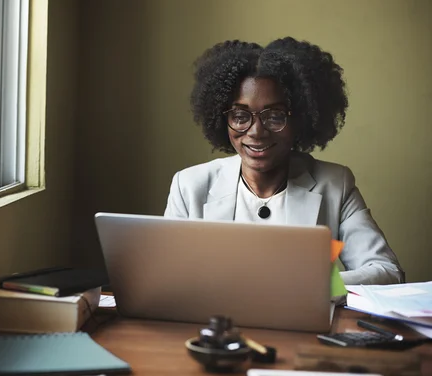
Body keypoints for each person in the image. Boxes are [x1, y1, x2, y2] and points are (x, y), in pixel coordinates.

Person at [164, 37, 404, 285]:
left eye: (275, 116)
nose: (256, 132)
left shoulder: (335, 185)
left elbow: (387, 272)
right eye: (240, 115)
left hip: (301, 323)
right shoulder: (189, 186)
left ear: (301, 118)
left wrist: (309, 285)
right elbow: (165, 274)